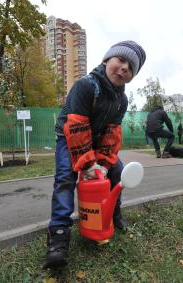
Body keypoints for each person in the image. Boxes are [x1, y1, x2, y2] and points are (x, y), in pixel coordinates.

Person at [44, 40, 146, 269]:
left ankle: (112, 213)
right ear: (107, 59)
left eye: (130, 67)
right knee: (65, 178)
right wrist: (88, 165)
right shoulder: (86, 85)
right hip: (69, 136)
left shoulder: (122, 100)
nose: (123, 68)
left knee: (117, 174)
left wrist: (104, 164)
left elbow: (112, 133)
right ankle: (58, 236)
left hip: (98, 140)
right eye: (120, 60)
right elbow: (77, 128)